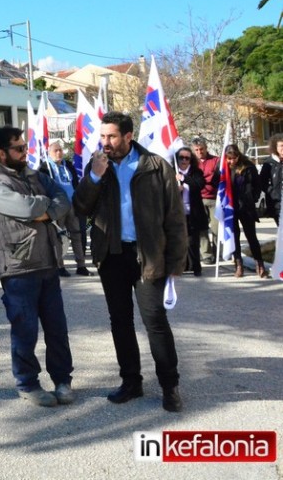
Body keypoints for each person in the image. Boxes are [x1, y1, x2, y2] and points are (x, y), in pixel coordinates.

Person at [73, 111, 186, 412]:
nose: (105, 142)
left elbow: (175, 218)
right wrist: (94, 176)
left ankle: (169, 386)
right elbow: (81, 206)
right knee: (120, 322)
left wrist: (175, 263)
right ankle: (131, 382)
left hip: (148, 255)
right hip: (112, 256)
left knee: (155, 323)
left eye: (111, 136)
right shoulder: (98, 165)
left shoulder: (155, 166)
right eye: (102, 136)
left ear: (127, 136)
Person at [0, 127, 75, 408]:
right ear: (2, 153)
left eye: (25, 147)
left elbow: (63, 199)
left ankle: (62, 380)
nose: (25, 152)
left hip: (47, 261)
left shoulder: (35, 175)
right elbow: (25, 209)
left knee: (57, 328)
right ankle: (27, 383)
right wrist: (43, 208)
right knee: (25, 330)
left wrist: (43, 210)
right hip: (18, 266)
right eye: (19, 148)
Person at [40, 142, 92, 277]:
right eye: (55, 151)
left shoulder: (67, 165)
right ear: (49, 153)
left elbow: (74, 182)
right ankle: (59, 266)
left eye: (60, 150)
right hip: (57, 206)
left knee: (77, 234)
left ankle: (81, 265)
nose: (59, 153)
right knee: (58, 237)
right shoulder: (44, 168)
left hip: (72, 204)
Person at [224, 144, 268, 278]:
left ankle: (259, 265)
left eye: (234, 158)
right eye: (229, 159)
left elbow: (257, 185)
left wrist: (252, 198)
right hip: (231, 207)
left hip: (246, 207)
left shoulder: (248, 166)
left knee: (251, 236)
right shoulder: (224, 168)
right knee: (234, 236)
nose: (232, 161)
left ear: (238, 156)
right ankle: (238, 265)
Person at [174, 147, 209, 277]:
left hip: (193, 213)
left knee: (193, 241)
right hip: (177, 213)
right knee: (179, 241)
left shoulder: (196, 172)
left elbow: (199, 184)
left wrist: (183, 178)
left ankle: (196, 267)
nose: (184, 160)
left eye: (187, 158)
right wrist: (175, 188)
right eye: (181, 157)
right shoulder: (172, 172)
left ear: (191, 159)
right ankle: (182, 266)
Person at [191, 136, 220, 264]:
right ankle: (206, 254)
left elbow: (218, 178)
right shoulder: (191, 163)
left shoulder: (216, 160)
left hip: (214, 199)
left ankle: (217, 252)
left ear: (206, 148)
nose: (199, 152)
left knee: (216, 228)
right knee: (202, 228)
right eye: (196, 150)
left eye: (201, 149)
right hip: (198, 199)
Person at [259, 133, 283, 226]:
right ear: (275, 147)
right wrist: (273, 193)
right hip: (276, 203)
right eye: (281, 146)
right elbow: (262, 182)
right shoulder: (269, 163)